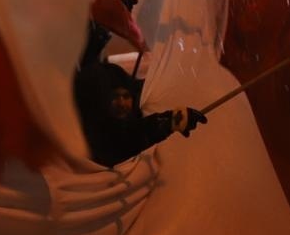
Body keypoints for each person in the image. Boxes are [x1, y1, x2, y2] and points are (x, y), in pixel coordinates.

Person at [75, 60, 205, 167]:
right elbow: (119, 142)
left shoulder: (135, 111)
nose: (121, 103)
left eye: (126, 96)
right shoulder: (88, 133)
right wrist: (167, 122)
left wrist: (172, 120)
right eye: (114, 97)